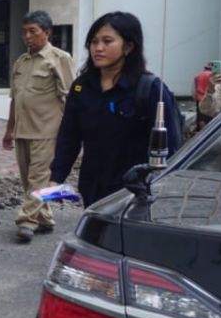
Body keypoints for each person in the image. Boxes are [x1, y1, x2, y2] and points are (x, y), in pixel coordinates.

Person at [50, 12, 182, 206]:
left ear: (128, 46)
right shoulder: (82, 86)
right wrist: (57, 178)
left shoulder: (149, 89)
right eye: (94, 42)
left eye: (107, 41)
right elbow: (69, 136)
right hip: (92, 190)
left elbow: (171, 147)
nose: (98, 48)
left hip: (135, 194)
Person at [2, 11, 76, 242]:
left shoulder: (59, 58)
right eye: (24, 32)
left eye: (33, 31)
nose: (27, 36)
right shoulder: (21, 62)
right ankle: (45, 218)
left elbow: (71, 97)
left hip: (47, 131)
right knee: (28, 181)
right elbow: (16, 98)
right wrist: (9, 129)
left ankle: (26, 221)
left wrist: (71, 132)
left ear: (47, 32)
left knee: (38, 179)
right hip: (23, 131)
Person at [195, 63, 216, 130]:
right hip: (209, 98)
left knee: (201, 116)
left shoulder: (198, 76)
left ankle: (201, 131)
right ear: (211, 68)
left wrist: (195, 97)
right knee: (209, 115)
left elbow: (194, 89)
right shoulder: (213, 76)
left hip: (199, 98)